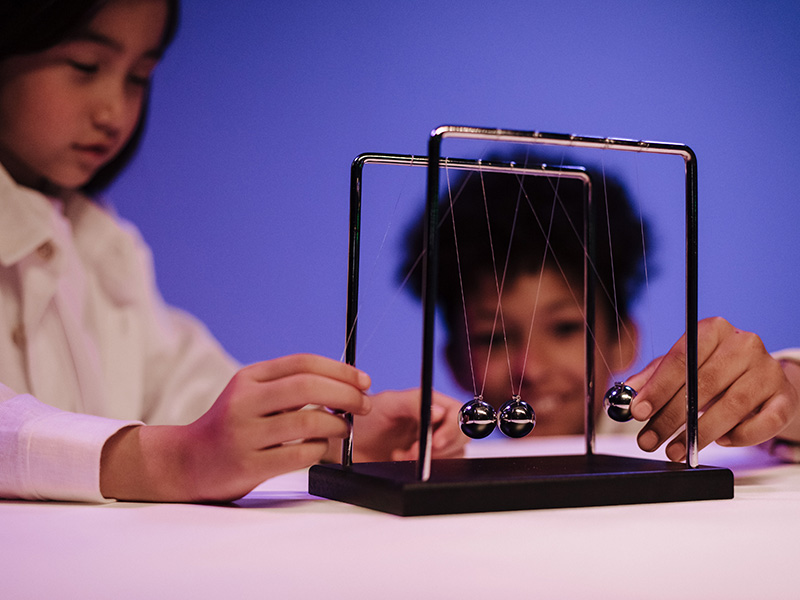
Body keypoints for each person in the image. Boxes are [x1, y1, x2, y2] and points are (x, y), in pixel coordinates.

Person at [0, 0, 466, 504]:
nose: (112, 110)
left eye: (139, 76)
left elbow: (188, 398)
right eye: (85, 66)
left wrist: (333, 436)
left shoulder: (98, 242)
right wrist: (172, 461)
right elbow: (183, 447)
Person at [400, 151, 800, 460]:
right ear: (455, 360)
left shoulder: (675, 442)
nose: (532, 369)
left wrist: (785, 394)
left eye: (565, 328)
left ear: (624, 339)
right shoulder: (431, 457)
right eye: (493, 338)